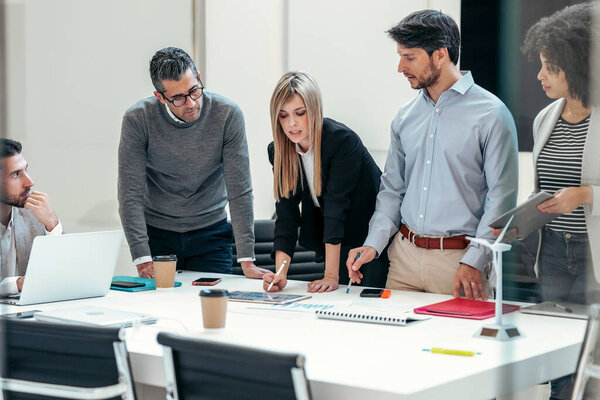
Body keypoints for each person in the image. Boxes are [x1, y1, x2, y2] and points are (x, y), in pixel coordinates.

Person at [346, 9, 518, 300]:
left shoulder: (491, 115)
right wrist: (372, 244)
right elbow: (392, 192)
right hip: (403, 261)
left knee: (456, 346)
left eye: (409, 57)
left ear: (440, 54)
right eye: (400, 56)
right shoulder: (404, 117)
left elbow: (501, 200)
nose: (400, 67)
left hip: (459, 264)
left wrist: (475, 260)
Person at [118, 47, 268, 279]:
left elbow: (240, 190)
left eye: (194, 91)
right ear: (160, 97)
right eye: (178, 98)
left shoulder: (227, 114)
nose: (190, 103)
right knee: (163, 308)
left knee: (214, 305)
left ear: (198, 77)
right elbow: (130, 194)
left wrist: (247, 259)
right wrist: (141, 258)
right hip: (158, 235)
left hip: (211, 234)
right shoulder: (138, 119)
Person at [521, 5, 599, 398]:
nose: (540, 76)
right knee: (559, 360)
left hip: (592, 254)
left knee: (593, 361)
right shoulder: (544, 118)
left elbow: (581, 191)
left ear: (576, 64)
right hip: (553, 251)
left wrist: (586, 196)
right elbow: (545, 185)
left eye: (550, 67)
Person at [262, 71, 388, 293]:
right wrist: (281, 273)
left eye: (299, 113)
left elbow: (335, 207)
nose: (291, 123)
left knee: (366, 306)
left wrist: (331, 275)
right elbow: (286, 217)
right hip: (336, 241)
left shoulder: (341, 141)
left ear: (314, 110)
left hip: (371, 240)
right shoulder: (280, 151)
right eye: (283, 115)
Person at [0, 139, 62, 296]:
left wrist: (52, 226)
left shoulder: (33, 214)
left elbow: (63, 272)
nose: (30, 182)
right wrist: (17, 284)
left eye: (25, 170)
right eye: (15, 175)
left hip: (27, 313)